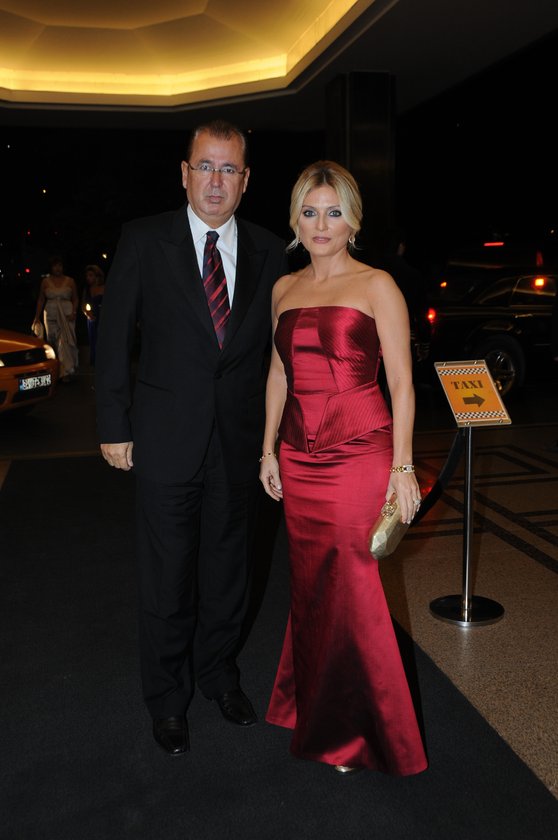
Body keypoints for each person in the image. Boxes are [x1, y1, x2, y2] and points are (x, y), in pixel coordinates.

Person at [95, 120, 288, 755]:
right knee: (167, 578)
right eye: (205, 166)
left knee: (230, 574)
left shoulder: (269, 250)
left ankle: (218, 677)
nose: (215, 181)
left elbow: (278, 354)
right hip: (163, 440)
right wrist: (113, 424)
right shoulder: (144, 239)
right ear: (184, 173)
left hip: (238, 446)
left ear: (246, 180)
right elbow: (114, 337)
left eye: (228, 169)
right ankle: (167, 698)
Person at [259, 161, 428, 776]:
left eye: (334, 212)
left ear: (353, 220)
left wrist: (403, 466)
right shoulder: (283, 288)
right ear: (295, 221)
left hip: (360, 452)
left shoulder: (378, 285)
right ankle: (307, 702)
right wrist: (268, 449)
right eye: (310, 212)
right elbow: (278, 374)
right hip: (298, 457)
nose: (321, 225)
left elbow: (402, 382)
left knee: (353, 588)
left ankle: (359, 732)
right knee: (311, 584)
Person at [32, 256, 79, 382]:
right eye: (55, 266)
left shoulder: (70, 281)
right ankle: (56, 370)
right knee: (52, 341)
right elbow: (41, 299)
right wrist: (37, 317)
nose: (58, 268)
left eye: (60, 265)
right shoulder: (45, 282)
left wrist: (74, 312)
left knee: (64, 342)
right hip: (51, 315)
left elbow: (75, 298)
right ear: (51, 267)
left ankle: (66, 372)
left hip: (66, 315)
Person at [81, 264, 105, 365]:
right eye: (87, 276)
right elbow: (83, 304)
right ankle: (94, 360)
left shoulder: (104, 288)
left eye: (91, 275)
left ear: (97, 276)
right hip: (91, 317)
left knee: (102, 338)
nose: (88, 278)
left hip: (103, 316)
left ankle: (104, 359)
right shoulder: (87, 289)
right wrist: (87, 313)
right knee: (93, 338)